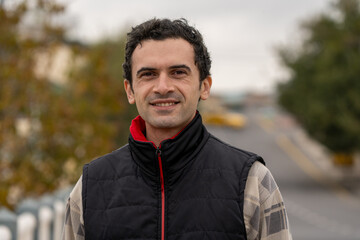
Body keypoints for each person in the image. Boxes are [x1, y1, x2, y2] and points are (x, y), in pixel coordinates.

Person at [62, 18, 292, 240]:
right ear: (130, 90)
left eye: (178, 72)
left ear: (204, 86)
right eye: (148, 74)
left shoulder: (252, 182)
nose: (163, 87)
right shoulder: (90, 188)